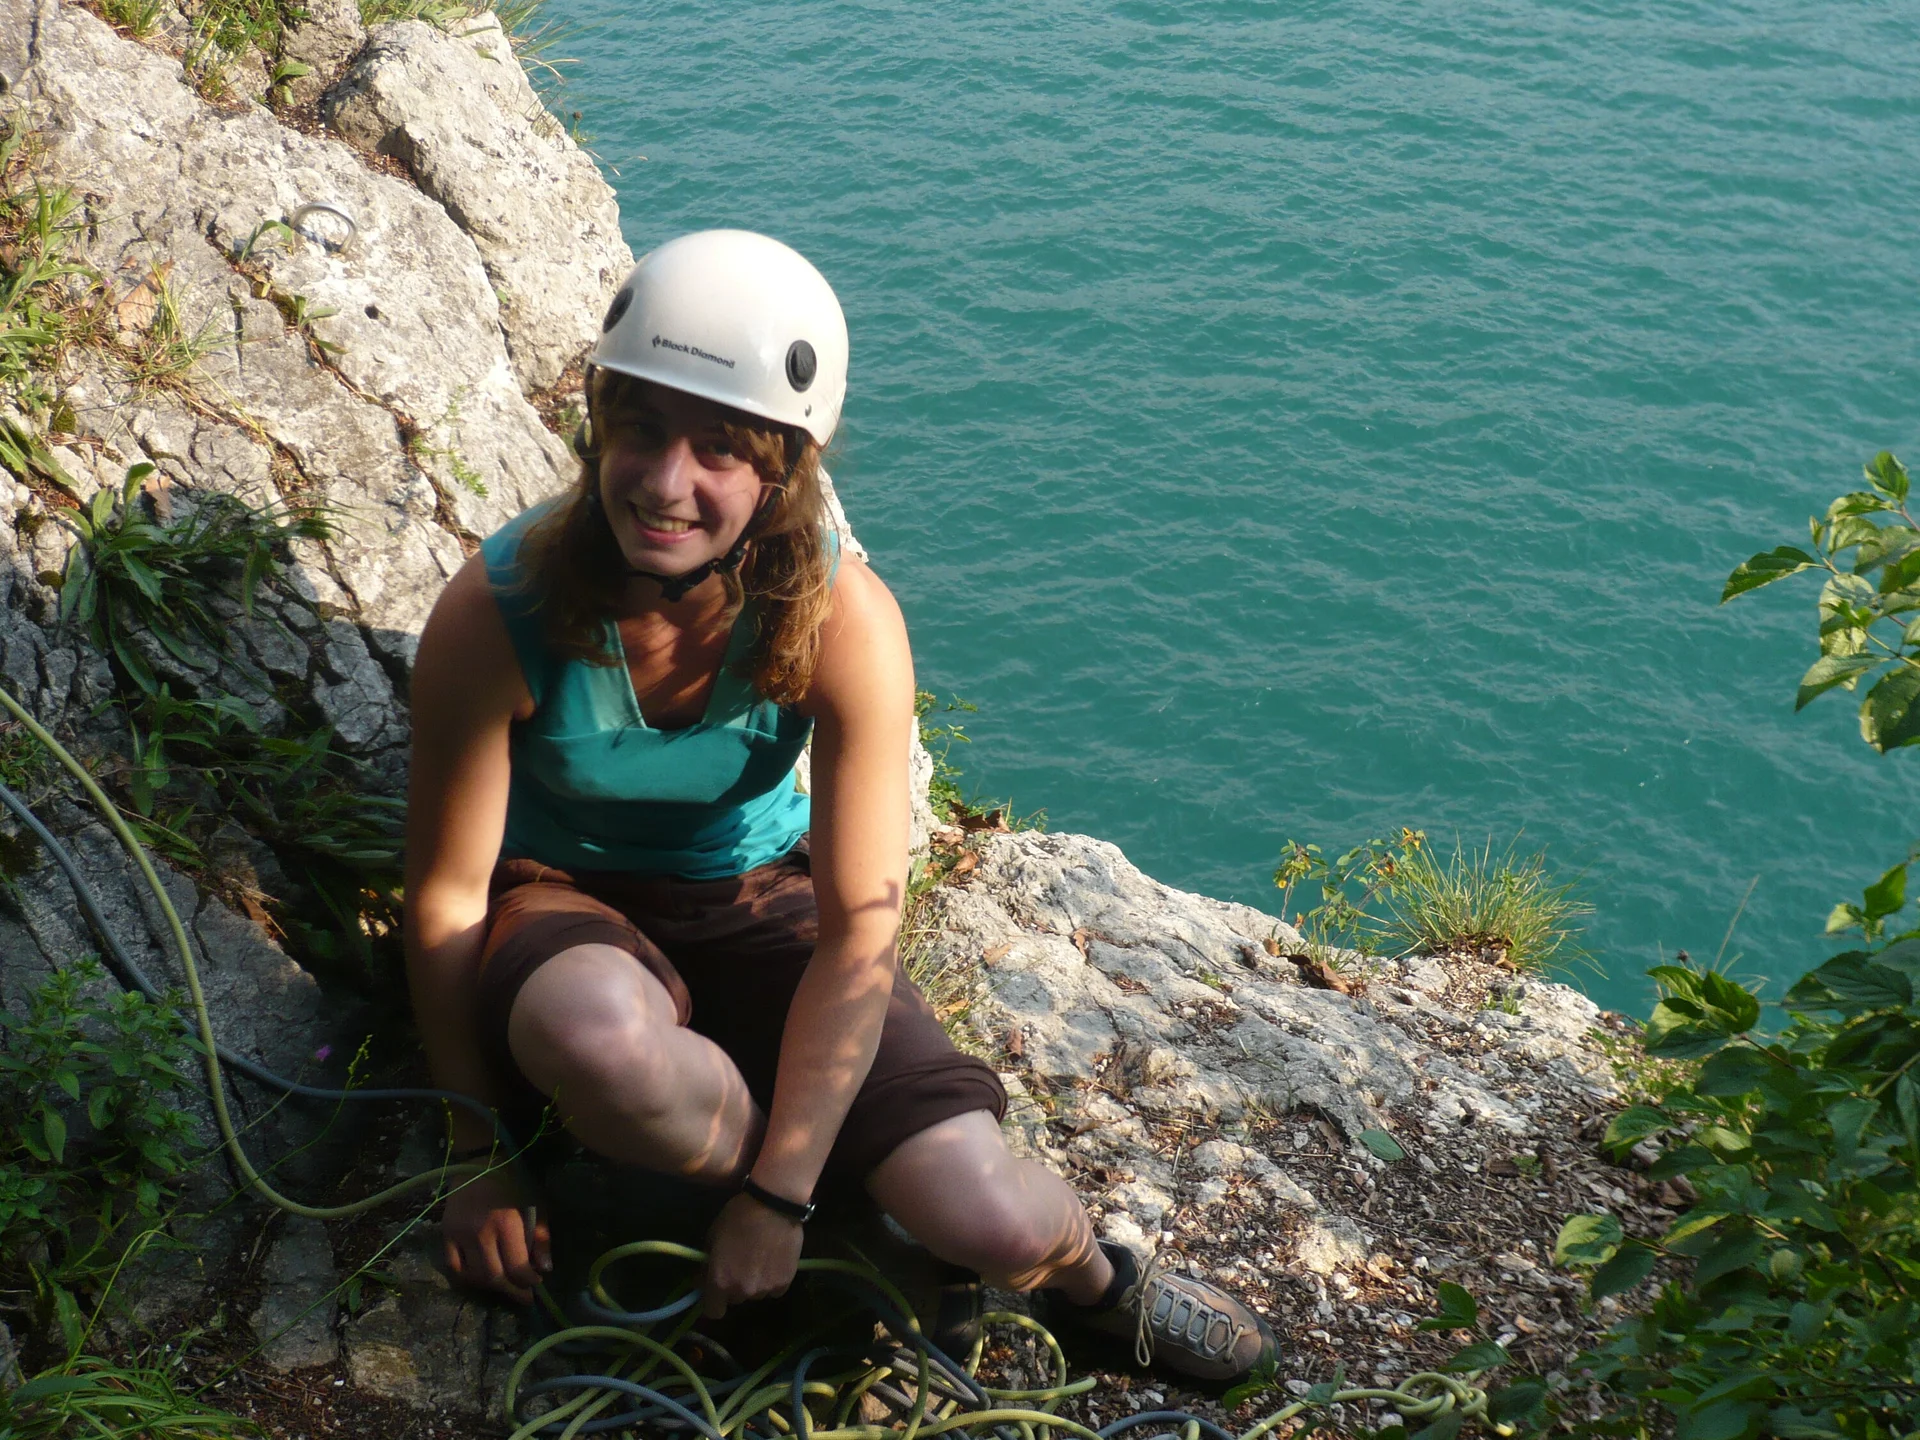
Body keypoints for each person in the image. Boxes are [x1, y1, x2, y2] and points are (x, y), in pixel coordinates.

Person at [402, 229, 1276, 1382]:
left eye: (720, 446)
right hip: (564, 903)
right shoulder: (504, 607)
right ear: (597, 426)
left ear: (782, 470)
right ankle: (845, 1235)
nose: (667, 482)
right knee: (599, 1041)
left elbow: (859, 925)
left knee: (989, 1214)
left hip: (761, 905)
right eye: (640, 428)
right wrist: (480, 1150)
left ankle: (1090, 1279)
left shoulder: (839, 622)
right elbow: (448, 897)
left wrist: (782, 1191)